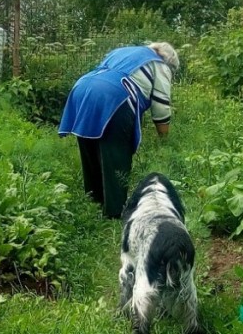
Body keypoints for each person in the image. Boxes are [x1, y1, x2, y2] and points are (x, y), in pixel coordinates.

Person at [58, 41, 180, 219]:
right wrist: (164, 140)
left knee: (89, 148)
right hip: (115, 94)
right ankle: (114, 213)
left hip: (83, 87)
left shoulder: (123, 51)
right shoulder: (160, 64)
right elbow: (161, 108)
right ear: (168, 61)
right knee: (116, 153)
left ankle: (93, 203)